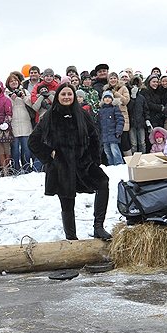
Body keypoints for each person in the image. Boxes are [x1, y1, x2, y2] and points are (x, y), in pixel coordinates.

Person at [28, 83, 112, 242]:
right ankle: (71, 238)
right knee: (67, 202)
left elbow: (95, 137)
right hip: (61, 167)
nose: (66, 97)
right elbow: (33, 141)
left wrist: (94, 160)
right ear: (58, 97)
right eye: (63, 94)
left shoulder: (82, 114)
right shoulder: (50, 117)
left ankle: (98, 227)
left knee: (103, 182)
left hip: (83, 164)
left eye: (69, 94)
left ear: (74, 97)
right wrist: (49, 155)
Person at [96, 91, 124, 165]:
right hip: (104, 135)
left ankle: (119, 164)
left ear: (112, 99)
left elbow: (120, 120)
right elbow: (99, 124)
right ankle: (111, 165)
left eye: (109, 97)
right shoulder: (101, 110)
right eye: (105, 98)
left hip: (113, 134)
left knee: (115, 150)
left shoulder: (115, 108)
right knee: (107, 152)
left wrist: (118, 131)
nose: (107, 99)